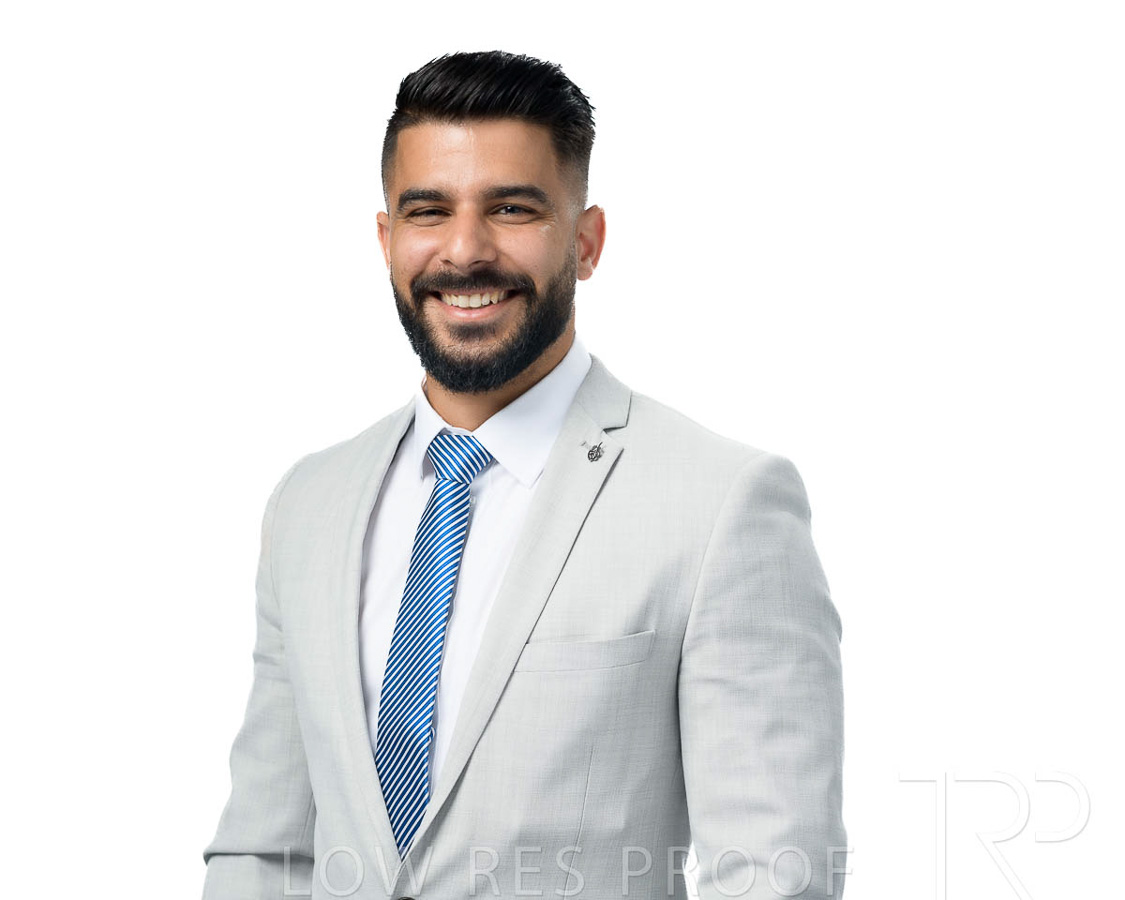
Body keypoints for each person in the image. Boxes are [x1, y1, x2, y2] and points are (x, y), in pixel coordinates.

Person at [202, 50, 847, 900]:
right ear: (387, 240)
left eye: (511, 209)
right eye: (428, 211)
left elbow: (773, 873)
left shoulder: (720, 503)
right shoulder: (308, 504)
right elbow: (263, 852)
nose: (464, 250)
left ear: (585, 242)